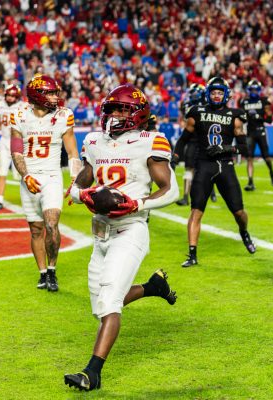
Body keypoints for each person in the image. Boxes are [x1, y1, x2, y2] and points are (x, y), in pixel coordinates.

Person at [63, 84, 178, 391]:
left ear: (138, 113)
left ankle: (92, 372)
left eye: (122, 109)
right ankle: (153, 287)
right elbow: (83, 179)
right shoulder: (94, 140)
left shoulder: (150, 140)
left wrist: (137, 203)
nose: (114, 115)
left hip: (131, 229)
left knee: (110, 301)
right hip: (100, 233)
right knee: (100, 306)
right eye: (111, 109)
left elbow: (173, 190)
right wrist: (80, 194)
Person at [173, 76, 256, 267]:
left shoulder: (234, 115)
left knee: (239, 212)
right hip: (204, 165)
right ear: (208, 94)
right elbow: (183, 139)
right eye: (213, 92)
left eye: (220, 92)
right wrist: (175, 157)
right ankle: (192, 254)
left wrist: (225, 149)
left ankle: (244, 232)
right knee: (196, 211)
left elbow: (244, 149)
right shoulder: (197, 112)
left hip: (225, 165)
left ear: (225, 94)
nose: (216, 96)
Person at [10, 74, 81, 292]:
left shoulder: (63, 115)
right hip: (29, 176)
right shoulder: (19, 115)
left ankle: (52, 270)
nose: (54, 97)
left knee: (51, 224)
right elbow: (16, 150)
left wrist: (75, 179)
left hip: (52, 175)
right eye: (49, 93)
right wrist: (26, 176)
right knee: (36, 229)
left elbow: (72, 151)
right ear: (37, 95)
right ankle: (42, 273)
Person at [240, 79, 273, 191]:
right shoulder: (244, 102)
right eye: (252, 90)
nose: (254, 92)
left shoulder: (264, 101)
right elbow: (241, 118)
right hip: (250, 132)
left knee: (266, 157)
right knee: (249, 158)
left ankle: (272, 173)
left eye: (256, 90)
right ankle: (250, 181)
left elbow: (270, 119)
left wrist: (258, 117)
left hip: (260, 131)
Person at [0, 84, 24, 210]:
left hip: (19, 142)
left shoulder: (23, 106)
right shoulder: (0, 105)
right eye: (9, 95)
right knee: (2, 171)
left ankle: (30, 198)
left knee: (23, 172)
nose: (10, 98)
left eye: (13, 96)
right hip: (5, 141)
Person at [175, 83, 205, 205]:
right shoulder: (187, 105)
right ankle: (186, 196)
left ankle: (210, 192)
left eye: (195, 92)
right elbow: (184, 120)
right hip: (192, 140)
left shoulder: (207, 105)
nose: (193, 95)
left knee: (206, 169)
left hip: (204, 141)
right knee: (189, 168)